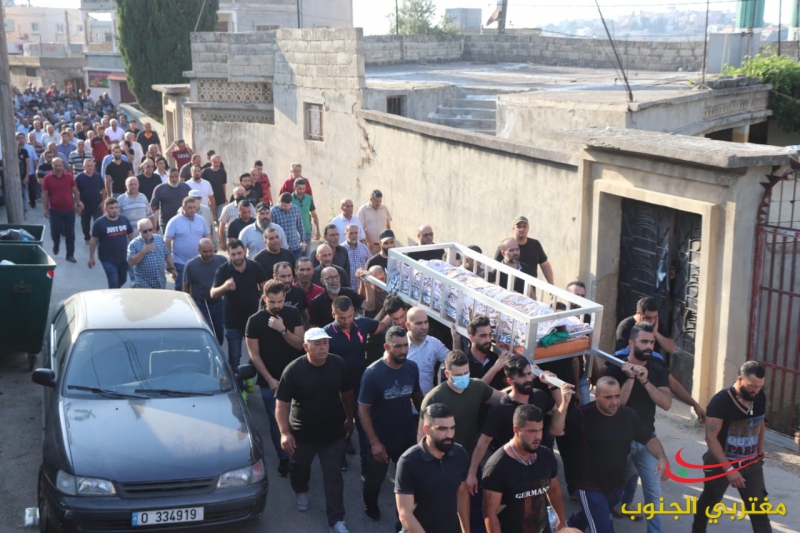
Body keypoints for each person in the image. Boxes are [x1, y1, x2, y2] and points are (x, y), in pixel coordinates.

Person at [550, 376, 669, 533]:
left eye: (617, 396)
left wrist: (661, 457)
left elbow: (648, 437)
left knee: (593, 514)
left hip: (617, 485)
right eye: (608, 397)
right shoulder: (582, 415)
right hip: (589, 485)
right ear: (597, 396)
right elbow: (556, 430)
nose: (614, 402)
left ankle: (569, 526)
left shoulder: (628, 415)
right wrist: (564, 404)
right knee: (602, 525)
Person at [276, 328, 353, 533]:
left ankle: (336, 520)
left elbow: (347, 393)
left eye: (325, 343)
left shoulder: (338, 364)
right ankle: (301, 490)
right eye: (317, 344)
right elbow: (282, 404)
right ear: (306, 347)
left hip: (333, 434)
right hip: (302, 435)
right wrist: (285, 433)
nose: (322, 347)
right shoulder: (293, 370)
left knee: (333, 477)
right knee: (299, 468)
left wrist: (349, 418)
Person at [419, 350, 505, 533]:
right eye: (458, 375)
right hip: (443, 463)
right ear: (447, 374)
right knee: (446, 509)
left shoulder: (476, 387)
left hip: (470, 460)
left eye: (466, 373)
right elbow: (421, 437)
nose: (464, 378)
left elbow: (503, 398)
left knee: (474, 507)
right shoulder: (434, 398)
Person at [604, 322, 671, 529]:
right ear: (632, 343)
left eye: (652, 342)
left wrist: (645, 381)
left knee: (653, 495)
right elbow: (616, 406)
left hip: (646, 440)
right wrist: (631, 378)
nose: (649, 346)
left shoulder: (657, 369)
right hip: (618, 442)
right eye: (644, 342)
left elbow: (666, 403)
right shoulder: (616, 368)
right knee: (610, 488)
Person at [691, 361, 771, 533]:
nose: (756, 391)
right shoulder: (721, 401)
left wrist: (759, 452)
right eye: (752, 386)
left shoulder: (759, 397)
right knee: (709, 502)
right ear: (740, 380)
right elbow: (711, 438)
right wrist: (728, 469)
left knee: (759, 511)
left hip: (751, 463)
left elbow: (760, 423)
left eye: (760, 386)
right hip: (720, 463)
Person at [469, 356, 562, 496]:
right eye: (522, 376)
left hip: (538, 466)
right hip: (512, 472)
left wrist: (553, 387)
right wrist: (472, 474)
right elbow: (483, 442)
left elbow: (559, 413)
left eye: (529, 374)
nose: (528, 379)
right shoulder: (500, 409)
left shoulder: (539, 396)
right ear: (510, 381)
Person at [359, 326, 423, 522]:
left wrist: (426, 424)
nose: (403, 350)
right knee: (375, 480)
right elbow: (363, 411)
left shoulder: (412, 367)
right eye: (398, 346)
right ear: (386, 347)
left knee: (409, 479)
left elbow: (417, 397)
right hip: (381, 437)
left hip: (406, 435)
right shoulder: (372, 374)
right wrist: (374, 442)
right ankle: (369, 505)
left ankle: (403, 516)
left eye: (406, 345)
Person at [245, 279, 305, 478]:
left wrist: (282, 330)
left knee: (299, 418)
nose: (277, 305)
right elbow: (254, 355)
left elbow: (300, 345)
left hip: (296, 379)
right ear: (264, 298)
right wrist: (270, 380)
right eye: (272, 302)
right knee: (276, 421)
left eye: (280, 301)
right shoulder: (254, 321)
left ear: (285, 297)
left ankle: (299, 455)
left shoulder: (292, 314)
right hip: (270, 382)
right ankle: (284, 457)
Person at [615, 296, 707, 422]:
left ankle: (694, 404)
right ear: (639, 314)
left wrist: (655, 333)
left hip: (652, 365)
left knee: (671, 381)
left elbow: (671, 347)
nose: (652, 321)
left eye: (655, 317)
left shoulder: (655, 324)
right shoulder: (625, 326)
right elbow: (622, 353)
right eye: (648, 318)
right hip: (630, 369)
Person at [482, 404, 567, 533]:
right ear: (516, 430)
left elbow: (553, 489)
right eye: (531, 431)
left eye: (540, 430)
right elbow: (490, 514)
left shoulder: (546, 456)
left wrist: (562, 520)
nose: (537, 436)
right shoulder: (497, 466)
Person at [395, 403, 470, 533]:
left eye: (452, 428)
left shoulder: (460, 453)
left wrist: (466, 530)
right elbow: (405, 513)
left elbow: (462, 493)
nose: (449, 434)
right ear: (427, 429)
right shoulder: (408, 462)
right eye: (442, 429)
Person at [210, 239, 267, 370]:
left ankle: (249, 376)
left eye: (239, 253)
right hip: (233, 322)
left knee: (256, 354)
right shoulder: (223, 270)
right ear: (229, 254)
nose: (237, 257)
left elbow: (265, 287)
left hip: (253, 320)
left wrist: (263, 305)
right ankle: (237, 380)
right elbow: (213, 293)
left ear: (245, 252)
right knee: (234, 357)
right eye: (233, 254)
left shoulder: (255, 267)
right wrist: (225, 286)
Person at [183, 238, 227, 345]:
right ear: (199, 250)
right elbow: (186, 287)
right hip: (202, 304)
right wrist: (189, 306)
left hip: (218, 303)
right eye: (205, 251)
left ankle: (217, 352)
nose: (208, 254)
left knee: (219, 334)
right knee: (207, 334)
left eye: (210, 250)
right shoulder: (191, 265)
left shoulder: (222, 261)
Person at [42, 157, 83, 263]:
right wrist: (45, 209)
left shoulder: (69, 177)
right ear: (52, 166)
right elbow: (45, 194)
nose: (58, 167)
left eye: (60, 165)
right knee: (55, 231)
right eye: (56, 165)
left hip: (69, 209)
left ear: (63, 166)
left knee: (70, 233)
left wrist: (78, 203)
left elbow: (75, 191)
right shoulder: (47, 178)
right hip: (54, 210)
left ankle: (70, 255)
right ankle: (56, 243)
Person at [164, 196, 211, 290]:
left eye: (194, 207)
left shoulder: (201, 220)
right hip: (180, 262)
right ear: (183, 208)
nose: (192, 210)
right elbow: (167, 241)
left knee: (199, 288)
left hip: (199, 261)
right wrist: (170, 263)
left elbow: (207, 236)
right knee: (181, 289)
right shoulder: (174, 221)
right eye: (190, 208)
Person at [493, 216, 554, 284]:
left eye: (524, 226)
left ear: (528, 228)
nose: (522, 229)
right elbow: (495, 267)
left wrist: (551, 285)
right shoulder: (505, 247)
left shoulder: (535, 245)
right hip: (507, 288)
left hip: (529, 288)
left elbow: (544, 264)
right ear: (513, 228)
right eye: (519, 227)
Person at [406, 306, 451, 397]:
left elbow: (453, 362)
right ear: (408, 326)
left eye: (426, 322)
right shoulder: (399, 345)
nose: (424, 327)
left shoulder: (434, 343)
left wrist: (456, 340)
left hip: (428, 401)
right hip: (406, 402)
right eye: (419, 323)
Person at [89, 197, 134, 288]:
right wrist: (91, 257)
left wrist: (139, 249)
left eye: (116, 207)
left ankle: (115, 292)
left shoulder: (124, 220)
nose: (114, 210)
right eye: (111, 208)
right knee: (113, 282)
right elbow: (93, 241)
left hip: (123, 257)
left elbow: (132, 236)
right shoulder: (99, 223)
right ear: (105, 209)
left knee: (123, 279)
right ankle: (113, 293)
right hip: (107, 259)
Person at [309, 266, 375, 327]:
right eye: (330, 278)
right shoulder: (317, 302)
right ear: (322, 281)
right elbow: (314, 327)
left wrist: (367, 283)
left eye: (336, 277)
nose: (335, 281)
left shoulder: (348, 292)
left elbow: (369, 307)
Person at [127, 218, 176, 289]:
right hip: (144, 284)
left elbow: (167, 255)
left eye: (150, 230)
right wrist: (143, 251)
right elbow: (130, 262)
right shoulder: (134, 244)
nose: (148, 233)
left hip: (160, 282)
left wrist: (172, 269)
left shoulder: (159, 239)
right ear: (139, 231)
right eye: (145, 231)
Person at [464, 315, 509, 390]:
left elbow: (509, 387)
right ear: (471, 338)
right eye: (483, 336)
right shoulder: (462, 362)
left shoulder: (495, 358)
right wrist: (494, 369)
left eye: (490, 335)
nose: (488, 340)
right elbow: (472, 393)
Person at [74, 158, 105, 244]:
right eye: (88, 166)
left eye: (91, 166)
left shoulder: (98, 176)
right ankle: (87, 237)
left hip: (97, 205)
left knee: (98, 222)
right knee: (85, 224)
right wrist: (78, 203)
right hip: (84, 205)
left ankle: (97, 237)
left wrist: (103, 201)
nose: (90, 167)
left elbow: (103, 189)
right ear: (83, 166)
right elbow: (75, 192)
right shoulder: (79, 177)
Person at [150, 167, 191, 232]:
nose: (174, 179)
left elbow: (192, 203)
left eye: (176, 176)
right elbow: (152, 208)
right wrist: (152, 226)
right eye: (171, 177)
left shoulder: (185, 187)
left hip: (183, 222)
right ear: (167, 177)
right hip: (166, 222)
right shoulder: (160, 189)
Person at [271, 192, 306, 260]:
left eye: (289, 205)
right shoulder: (273, 211)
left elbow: (300, 225)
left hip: (295, 246)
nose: (287, 208)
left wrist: (303, 241)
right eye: (284, 205)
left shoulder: (295, 209)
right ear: (279, 202)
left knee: (297, 264)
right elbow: (272, 229)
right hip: (281, 247)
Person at [358, 190, 392, 255]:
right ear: (371, 199)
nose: (378, 203)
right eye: (376, 201)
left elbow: (388, 225)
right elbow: (361, 228)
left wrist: (389, 240)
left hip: (383, 244)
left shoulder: (384, 208)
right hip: (369, 245)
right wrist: (369, 241)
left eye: (380, 201)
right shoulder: (363, 210)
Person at [291, 178, 320, 249]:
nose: (302, 191)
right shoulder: (290, 199)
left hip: (307, 231)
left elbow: (314, 215)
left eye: (303, 188)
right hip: (293, 233)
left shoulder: (309, 198)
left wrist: (318, 230)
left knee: (307, 254)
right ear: (294, 187)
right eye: (300, 189)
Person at [343, 224, 371, 291]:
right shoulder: (341, 249)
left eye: (356, 233)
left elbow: (370, 264)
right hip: (347, 288)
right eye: (351, 233)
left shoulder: (364, 248)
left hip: (362, 288)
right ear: (345, 234)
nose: (354, 235)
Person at [201, 154, 227, 220]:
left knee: (220, 219)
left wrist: (225, 196)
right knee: (210, 219)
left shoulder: (222, 172)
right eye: (214, 162)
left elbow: (223, 185)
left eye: (218, 162)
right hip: (209, 200)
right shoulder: (205, 172)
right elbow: (202, 184)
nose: (216, 164)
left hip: (220, 199)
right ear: (210, 162)